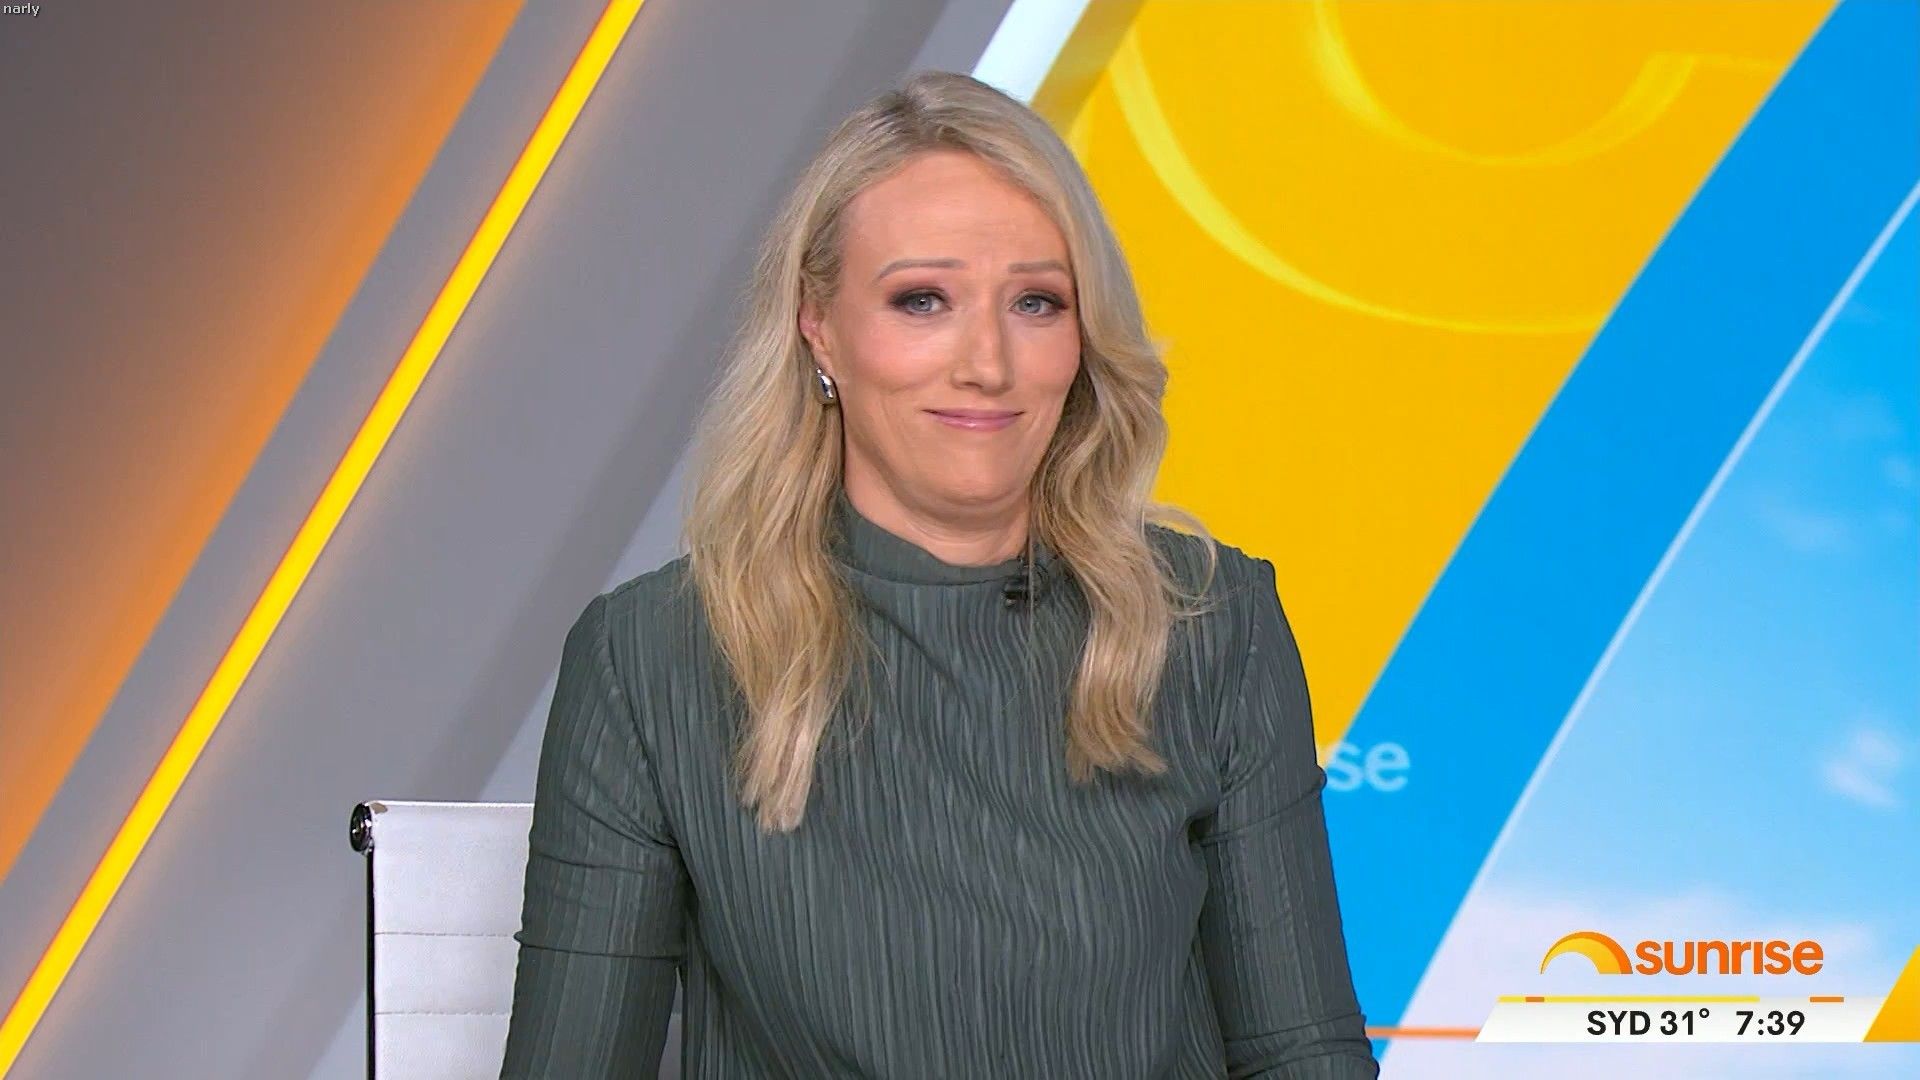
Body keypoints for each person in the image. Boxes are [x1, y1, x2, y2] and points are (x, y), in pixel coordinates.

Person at [499, 69, 1379, 1079]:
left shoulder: (1210, 622)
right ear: (818, 327)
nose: (988, 365)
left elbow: (1302, 1054)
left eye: (1037, 303)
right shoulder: (651, 657)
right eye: (923, 300)